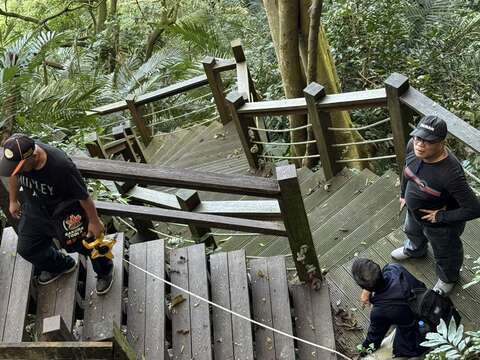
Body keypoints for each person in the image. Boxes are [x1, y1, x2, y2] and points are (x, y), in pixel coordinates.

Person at [0, 133, 114, 295]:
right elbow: (12, 173)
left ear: (33, 156)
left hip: (66, 212)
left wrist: (94, 221)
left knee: (88, 245)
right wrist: (13, 200)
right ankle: (62, 265)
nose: (18, 170)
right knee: (27, 248)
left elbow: (83, 195)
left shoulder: (60, 166)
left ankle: (105, 272)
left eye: (20, 166)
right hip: (35, 209)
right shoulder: (18, 157)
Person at [391, 115, 480, 295]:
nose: (419, 144)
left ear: (442, 142)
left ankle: (448, 278)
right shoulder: (412, 146)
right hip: (414, 212)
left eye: (427, 141)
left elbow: (474, 209)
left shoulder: (451, 174)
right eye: (418, 137)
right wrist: (403, 194)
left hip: (440, 225)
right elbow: (406, 170)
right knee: (411, 231)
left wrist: (441, 216)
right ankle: (415, 250)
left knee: (446, 252)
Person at [352, 258, 427, 358]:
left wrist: (363, 351)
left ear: (362, 287)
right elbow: (383, 274)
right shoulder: (394, 268)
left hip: (420, 334)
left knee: (371, 358)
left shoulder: (380, 312)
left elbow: (373, 340)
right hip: (428, 304)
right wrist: (368, 290)